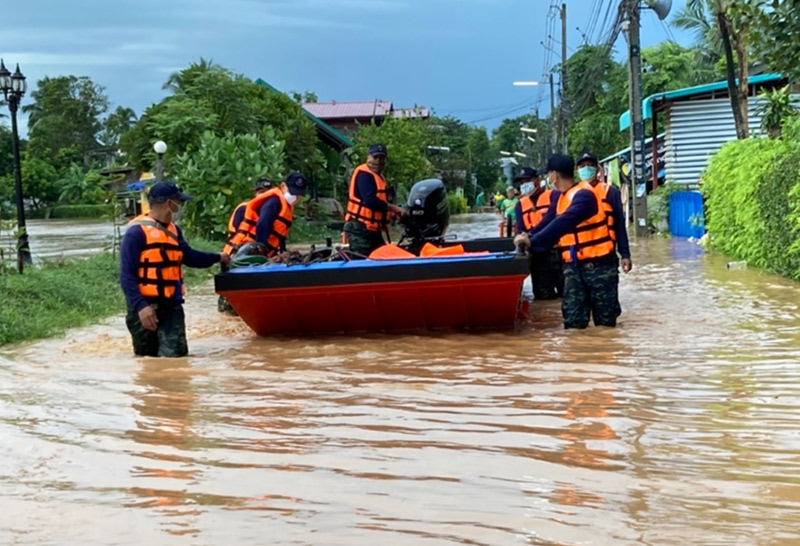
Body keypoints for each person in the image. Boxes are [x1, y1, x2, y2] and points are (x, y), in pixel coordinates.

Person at [120, 181, 231, 357]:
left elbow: (191, 257)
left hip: (171, 307)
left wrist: (218, 257)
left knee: (175, 360)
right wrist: (141, 307)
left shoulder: (174, 231)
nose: (181, 207)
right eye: (179, 202)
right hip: (144, 308)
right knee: (147, 362)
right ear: (168, 203)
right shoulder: (136, 233)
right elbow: (127, 277)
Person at [514, 154, 621, 329]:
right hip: (573, 267)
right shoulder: (560, 197)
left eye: (549, 174)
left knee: (605, 325)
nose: (548, 179)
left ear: (554, 175)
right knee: (573, 323)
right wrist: (528, 238)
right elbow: (549, 221)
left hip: (599, 267)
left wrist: (531, 242)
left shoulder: (584, 195)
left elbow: (562, 224)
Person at [223, 173, 308, 259]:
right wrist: (260, 251)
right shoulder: (273, 202)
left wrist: (282, 251)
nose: (295, 197)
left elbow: (278, 236)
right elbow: (263, 224)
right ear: (283, 186)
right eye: (293, 193)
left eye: (298, 195)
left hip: (256, 252)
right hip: (241, 253)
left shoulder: (285, 206)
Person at [343, 144, 404, 257]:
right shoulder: (364, 175)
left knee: (383, 256)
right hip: (360, 229)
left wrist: (391, 214)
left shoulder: (378, 177)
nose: (378, 161)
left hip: (373, 230)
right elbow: (370, 201)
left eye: (381, 158)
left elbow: (379, 205)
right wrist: (394, 208)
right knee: (361, 262)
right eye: (375, 157)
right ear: (369, 157)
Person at [576, 152, 632, 274]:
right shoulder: (572, 194)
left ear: (597, 169)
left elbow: (619, 225)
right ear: (577, 170)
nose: (586, 169)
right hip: (580, 259)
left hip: (606, 258)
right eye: (582, 166)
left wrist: (625, 254)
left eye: (590, 165)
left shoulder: (611, 192)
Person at [514, 167, 563, 300]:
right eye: (522, 182)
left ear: (538, 180)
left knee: (568, 295)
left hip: (558, 253)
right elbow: (520, 229)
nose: (525, 185)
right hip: (537, 256)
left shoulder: (554, 196)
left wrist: (530, 235)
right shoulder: (520, 205)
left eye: (528, 180)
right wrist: (522, 237)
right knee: (544, 297)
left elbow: (552, 218)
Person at [224, 178, 273, 247]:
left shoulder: (273, 213)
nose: (265, 196)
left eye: (268, 193)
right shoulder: (243, 208)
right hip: (236, 250)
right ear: (255, 194)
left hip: (259, 251)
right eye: (262, 192)